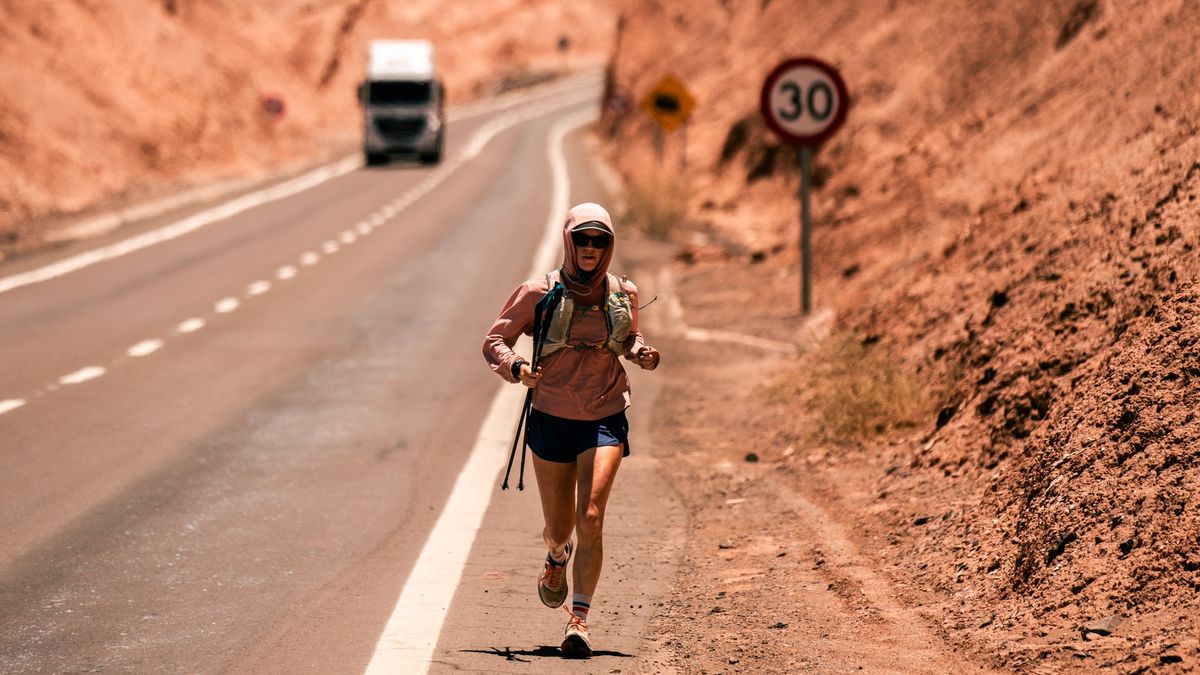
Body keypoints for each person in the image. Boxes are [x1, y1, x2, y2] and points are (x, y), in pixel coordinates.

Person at [483, 202, 660, 658]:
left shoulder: (624, 292)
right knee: (560, 528)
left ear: (609, 245)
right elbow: (494, 341)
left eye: (599, 240)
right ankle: (556, 555)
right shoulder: (538, 291)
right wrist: (516, 366)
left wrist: (641, 353)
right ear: (569, 240)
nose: (590, 248)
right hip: (551, 416)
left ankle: (578, 620)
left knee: (593, 517)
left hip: (604, 414)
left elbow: (629, 339)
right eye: (582, 238)